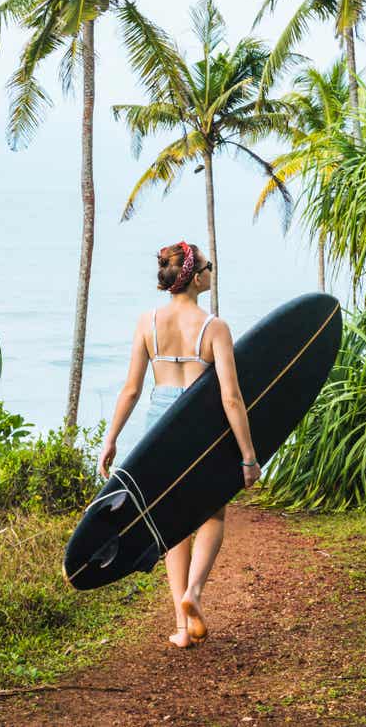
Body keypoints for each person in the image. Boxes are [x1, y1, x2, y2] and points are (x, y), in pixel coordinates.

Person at [98, 240, 260, 648]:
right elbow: (230, 397)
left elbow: (132, 389)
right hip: (202, 423)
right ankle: (195, 593)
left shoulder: (147, 323)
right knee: (212, 514)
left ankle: (182, 628)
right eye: (208, 265)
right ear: (195, 275)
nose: (211, 270)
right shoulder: (214, 327)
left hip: (160, 423)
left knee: (171, 524)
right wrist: (248, 456)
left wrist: (111, 439)